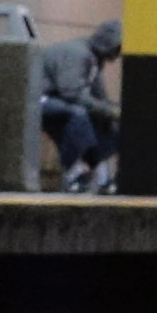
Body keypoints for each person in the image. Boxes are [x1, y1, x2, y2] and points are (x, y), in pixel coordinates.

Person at [34, 19, 121, 192]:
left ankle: (101, 175)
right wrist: (108, 110)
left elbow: (98, 95)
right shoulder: (78, 54)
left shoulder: (94, 58)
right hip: (39, 98)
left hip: (58, 99)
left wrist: (111, 112)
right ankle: (75, 171)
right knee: (78, 115)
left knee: (100, 118)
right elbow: (71, 92)